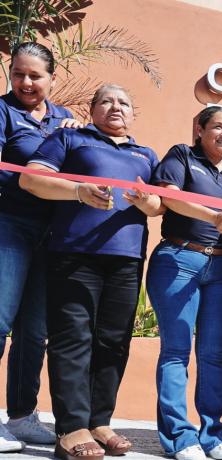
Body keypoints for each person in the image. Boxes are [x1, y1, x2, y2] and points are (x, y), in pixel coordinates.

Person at [20, 84, 161, 460]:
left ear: (133, 114)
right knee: (73, 339)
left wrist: (150, 202)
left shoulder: (146, 154)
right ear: (92, 109)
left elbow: (159, 204)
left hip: (127, 260)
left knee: (114, 341)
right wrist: (79, 192)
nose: (116, 106)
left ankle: (100, 421)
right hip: (73, 254)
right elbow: (31, 179)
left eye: (124, 101)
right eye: (107, 101)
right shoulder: (70, 139)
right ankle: (71, 429)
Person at [145, 106, 222, 460]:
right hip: (179, 260)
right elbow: (168, 195)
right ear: (200, 129)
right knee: (176, 351)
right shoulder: (182, 155)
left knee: (213, 356)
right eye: (218, 127)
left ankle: (212, 437)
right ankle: (180, 438)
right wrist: (213, 215)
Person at [0, 42, 81, 451]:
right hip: (9, 226)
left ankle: (22, 416)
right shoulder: (2, 112)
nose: (26, 82)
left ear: (52, 76)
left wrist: (77, 136)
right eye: (18, 73)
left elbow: (83, 163)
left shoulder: (65, 118)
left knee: (34, 332)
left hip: (53, 234)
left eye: (35, 75)